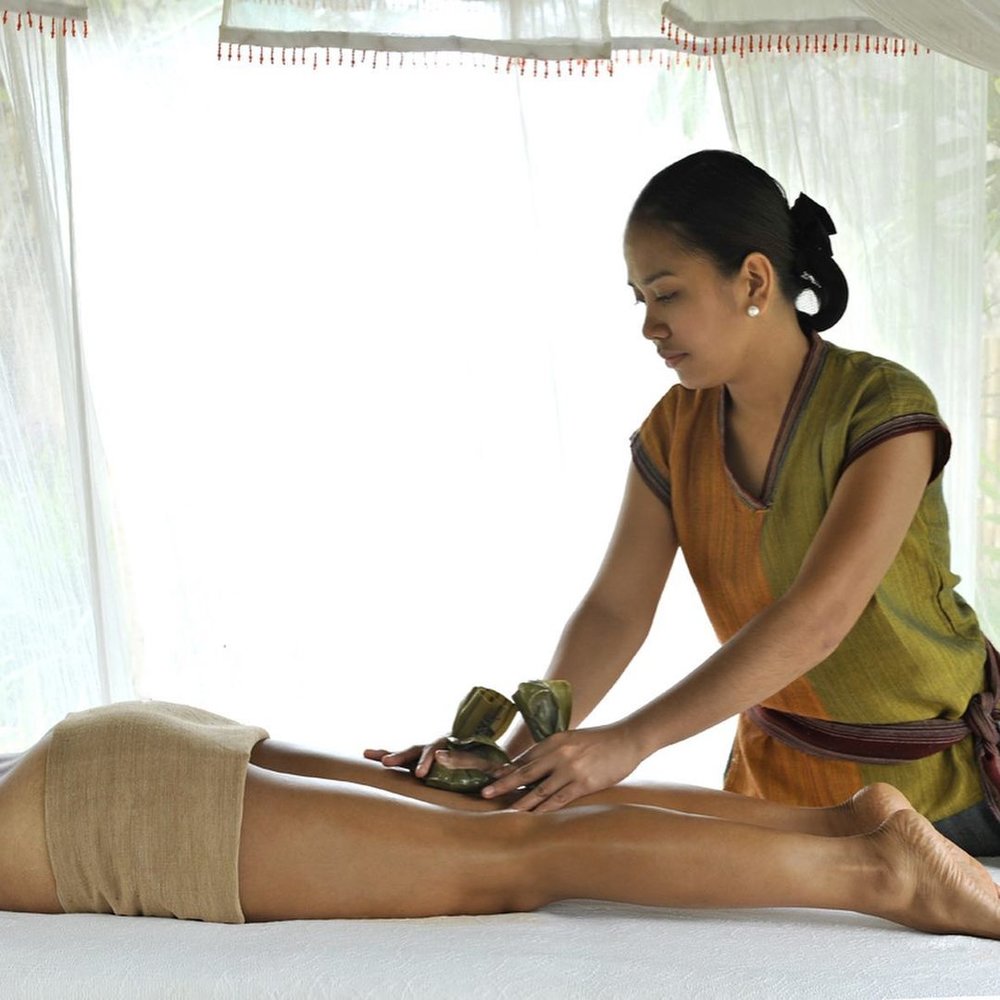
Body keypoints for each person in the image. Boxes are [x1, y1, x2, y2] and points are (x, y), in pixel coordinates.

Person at [367, 150, 1000, 856]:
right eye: (641, 299)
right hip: (774, 792)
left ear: (753, 280)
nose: (649, 326)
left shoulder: (882, 408)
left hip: (943, 797)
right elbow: (616, 609)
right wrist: (510, 759)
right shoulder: (676, 428)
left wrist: (630, 742)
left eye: (667, 295)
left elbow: (819, 618)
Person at [2, 697, 1000, 937]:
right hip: (104, 756)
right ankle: (845, 830)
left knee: (507, 856)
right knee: (485, 811)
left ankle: (882, 872)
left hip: (96, 815)